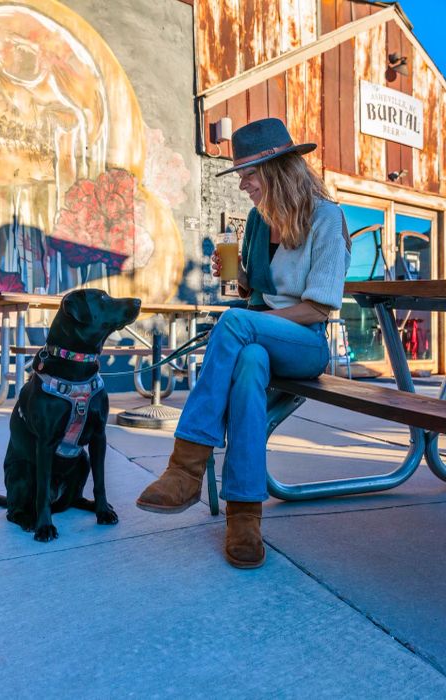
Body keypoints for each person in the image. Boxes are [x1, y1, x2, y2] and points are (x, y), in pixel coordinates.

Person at [136, 118, 351, 569]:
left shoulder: (326, 219)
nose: (244, 186)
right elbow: (252, 293)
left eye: (250, 175)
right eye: (242, 177)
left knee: (238, 328)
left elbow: (318, 309)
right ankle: (244, 518)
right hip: (256, 338)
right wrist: (236, 276)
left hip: (304, 343)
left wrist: (250, 320)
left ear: (277, 170)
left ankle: (186, 467)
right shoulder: (256, 220)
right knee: (250, 363)